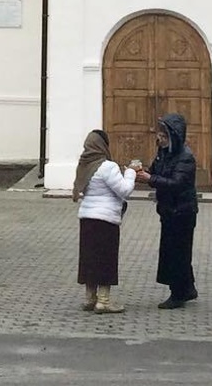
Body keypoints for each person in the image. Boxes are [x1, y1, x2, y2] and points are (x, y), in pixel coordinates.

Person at [73, 128, 137, 314]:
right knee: (106, 259)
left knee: (90, 259)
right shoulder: (107, 166)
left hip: (87, 218)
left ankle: (89, 298)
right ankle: (104, 301)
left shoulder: (84, 165)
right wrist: (131, 173)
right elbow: (124, 190)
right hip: (105, 220)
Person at [139, 112, 198, 309]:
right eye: (159, 135)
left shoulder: (185, 157)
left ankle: (178, 293)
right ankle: (187, 288)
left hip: (181, 211)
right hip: (169, 210)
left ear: (173, 137)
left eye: (164, 136)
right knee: (174, 251)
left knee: (177, 253)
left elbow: (176, 183)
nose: (160, 139)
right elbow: (156, 172)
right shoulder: (164, 153)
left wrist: (150, 179)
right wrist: (143, 172)